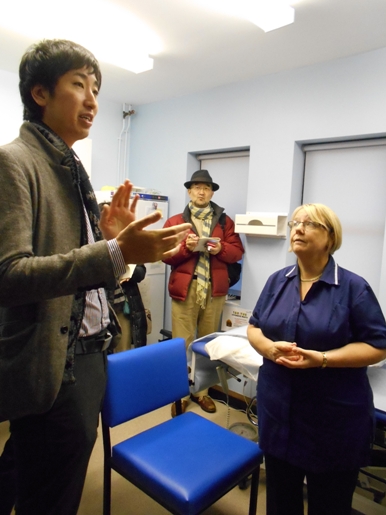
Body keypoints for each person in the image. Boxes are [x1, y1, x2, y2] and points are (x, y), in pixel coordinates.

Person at [0, 39, 190, 515]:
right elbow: (9, 275)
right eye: (79, 85)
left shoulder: (69, 168)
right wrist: (112, 251)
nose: (92, 101)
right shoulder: (16, 162)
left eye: (96, 88)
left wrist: (112, 243)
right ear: (40, 93)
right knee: (53, 494)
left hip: (87, 356)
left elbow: (86, 278)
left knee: (39, 472)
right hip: (53, 363)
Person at [247, 203, 386, 515]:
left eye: (309, 224)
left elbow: (379, 346)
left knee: (329, 506)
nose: (298, 228)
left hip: (332, 423)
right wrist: (269, 349)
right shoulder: (276, 281)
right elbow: (254, 327)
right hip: (279, 415)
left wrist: (323, 359)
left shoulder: (353, 287)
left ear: (330, 237)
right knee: (282, 504)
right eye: (295, 223)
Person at [163, 169, 244, 415]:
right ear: (189, 191)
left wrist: (219, 249)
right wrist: (187, 249)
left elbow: (237, 252)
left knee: (208, 344)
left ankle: (203, 392)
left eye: (206, 188)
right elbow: (166, 255)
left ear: (211, 192)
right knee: (182, 344)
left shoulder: (224, 221)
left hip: (214, 291)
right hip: (185, 291)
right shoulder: (176, 221)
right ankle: (180, 394)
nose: (201, 191)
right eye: (197, 187)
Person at [114, 264, 148, 350]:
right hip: (96, 309)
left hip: (121, 309)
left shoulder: (128, 251)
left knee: (122, 353)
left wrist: (126, 269)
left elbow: (140, 272)